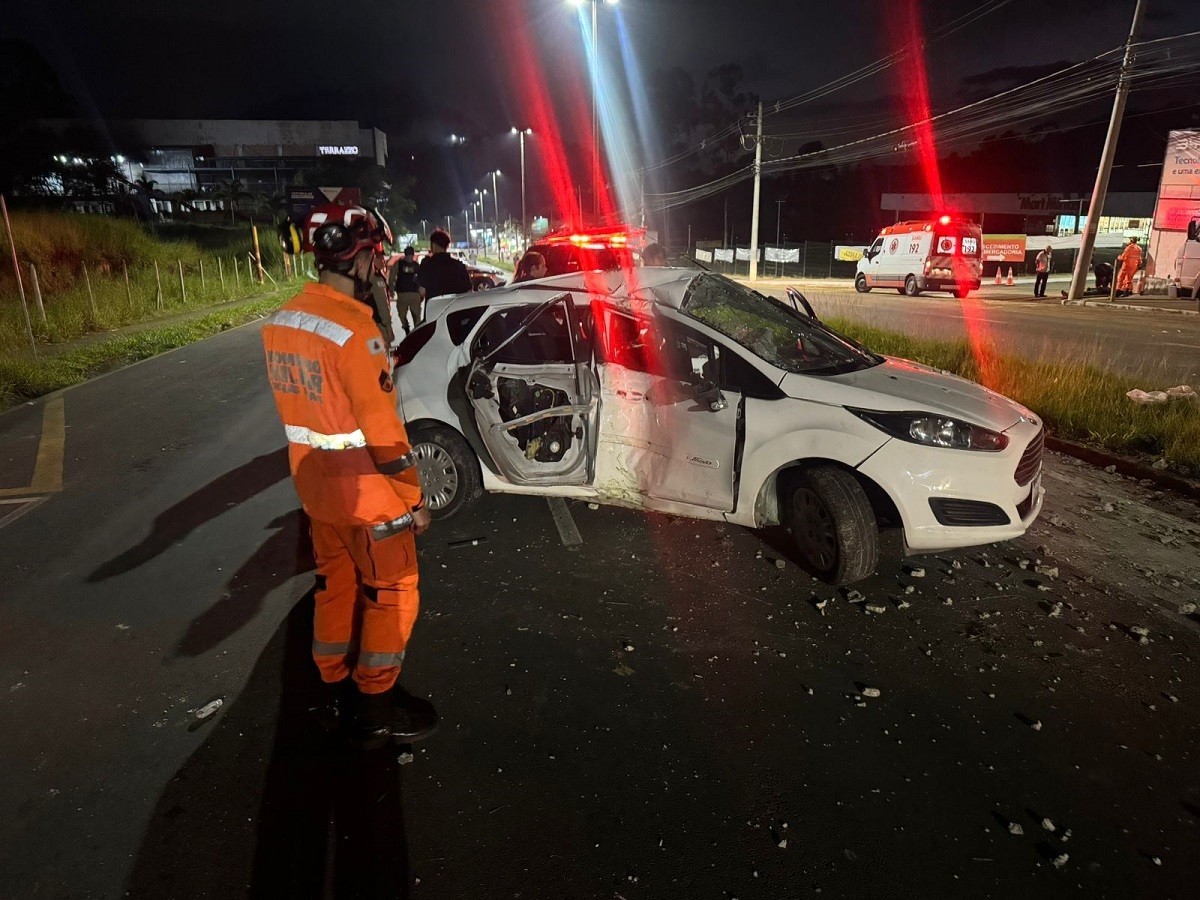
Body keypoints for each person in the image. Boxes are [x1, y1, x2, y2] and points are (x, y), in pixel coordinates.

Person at [261, 202, 436, 749]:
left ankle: (331, 689)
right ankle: (373, 709)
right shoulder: (358, 333)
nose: (378, 265)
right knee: (392, 593)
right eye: (375, 255)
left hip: (316, 493)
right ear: (356, 258)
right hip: (370, 499)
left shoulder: (282, 322)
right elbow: (384, 436)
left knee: (334, 588)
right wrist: (414, 501)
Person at [417, 228, 472, 302]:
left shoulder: (427, 264)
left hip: (434, 307)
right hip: (454, 307)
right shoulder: (458, 265)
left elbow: (422, 291)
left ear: (434, 245)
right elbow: (468, 290)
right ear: (447, 245)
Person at [392, 245, 422, 336]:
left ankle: (414, 332)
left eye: (410, 255)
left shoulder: (401, 264)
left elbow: (392, 277)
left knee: (413, 316)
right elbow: (392, 277)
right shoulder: (413, 265)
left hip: (410, 294)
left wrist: (391, 289)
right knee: (407, 315)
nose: (409, 257)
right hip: (406, 294)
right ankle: (410, 331)